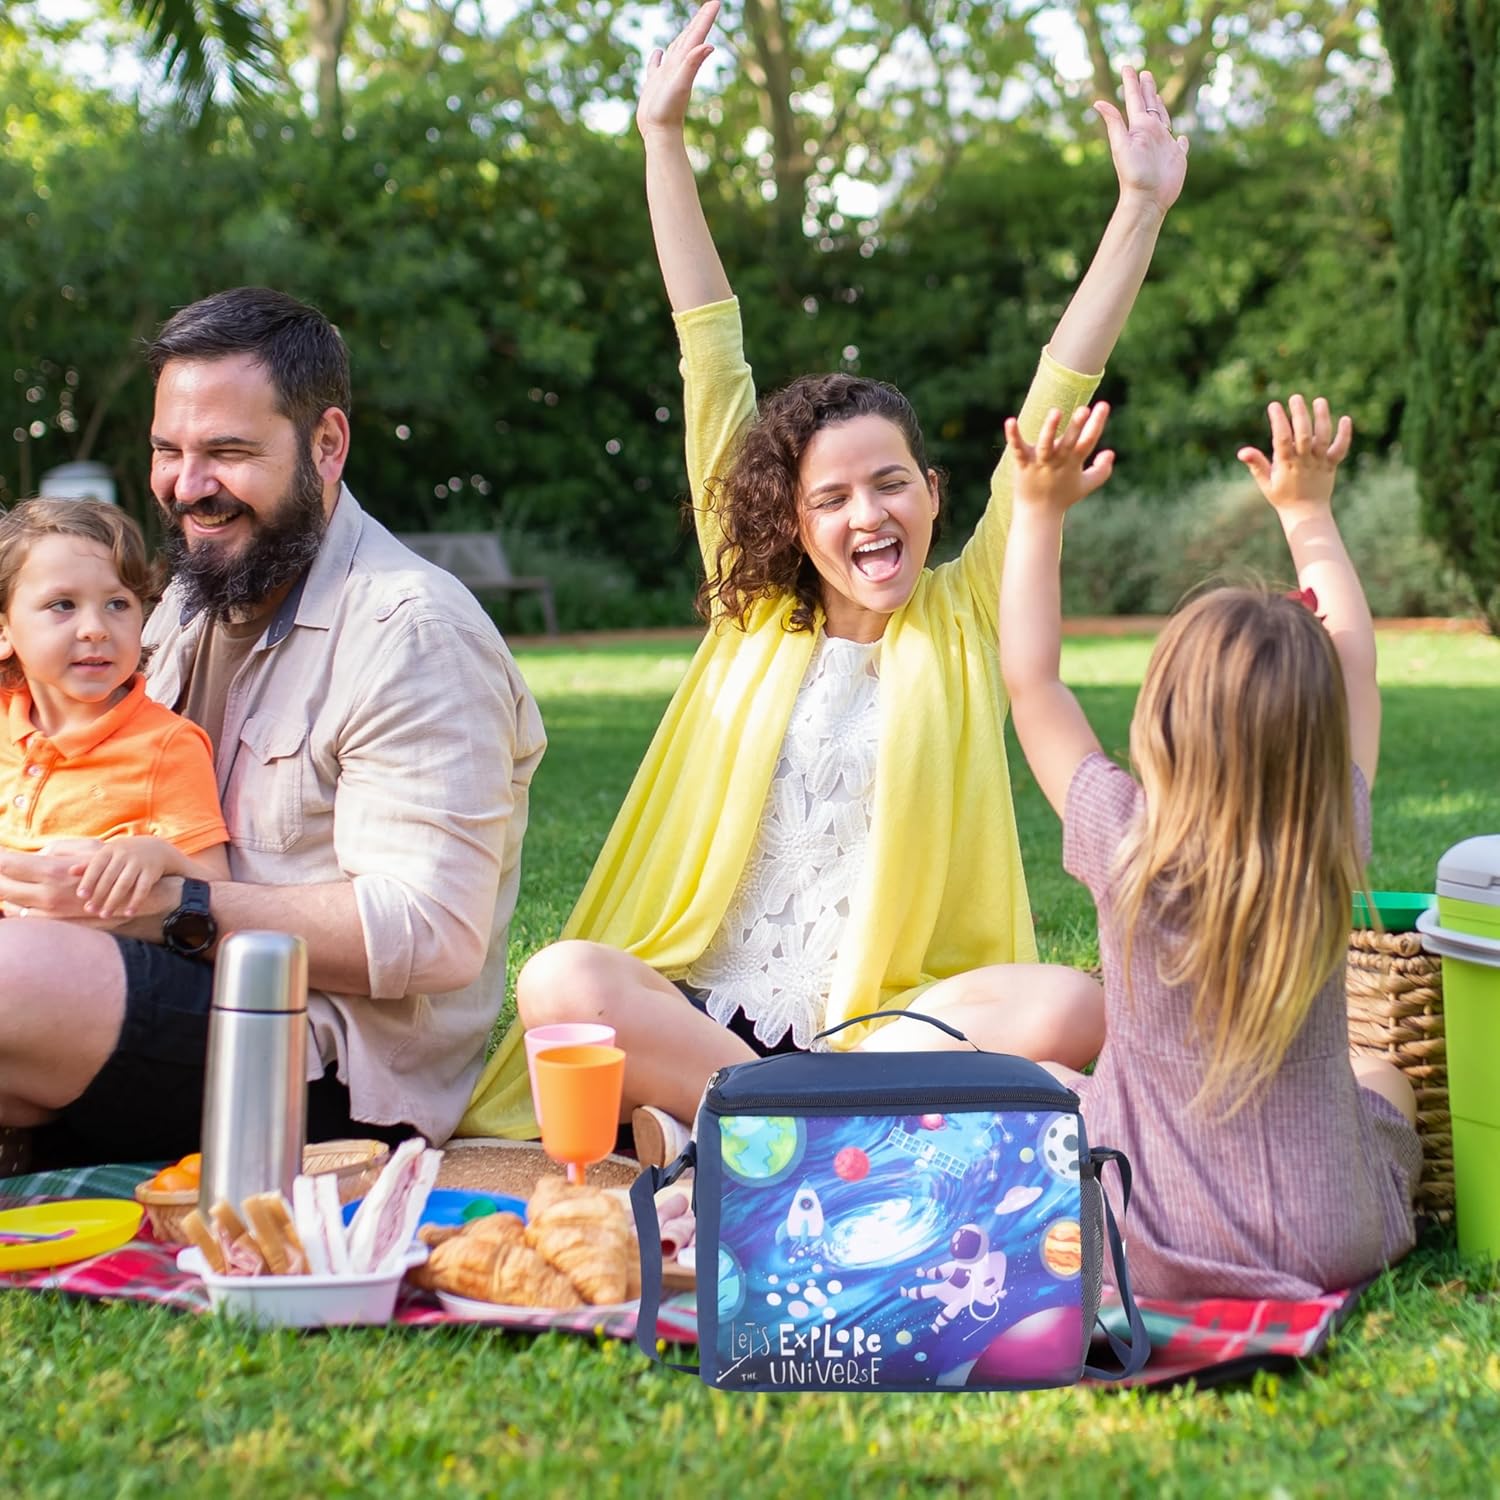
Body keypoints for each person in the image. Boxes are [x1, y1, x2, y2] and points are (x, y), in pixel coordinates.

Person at [458, 0, 1189, 1156]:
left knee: (1067, 1008)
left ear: (936, 493)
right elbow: (709, 343)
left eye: (891, 484)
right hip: (707, 1008)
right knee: (562, 984)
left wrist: (1139, 207)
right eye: (833, 498)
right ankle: (784, 1118)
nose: (868, 513)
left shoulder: (965, 613)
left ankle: (738, 1129)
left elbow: (1061, 382)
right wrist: (662, 139)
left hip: (876, 1027)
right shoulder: (753, 609)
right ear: (790, 525)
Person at [0, 287, 546, 1174]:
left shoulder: (412, 632)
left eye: (227, 452)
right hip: (144, 986)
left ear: (327, 445)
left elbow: (434, 932)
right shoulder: (182, 602)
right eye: (168, 452)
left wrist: (167, 910)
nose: (188, 487)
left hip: (321, 1066)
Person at [998, 391, 1421, 1298]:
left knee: (1041, 1085)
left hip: (1145, 1237)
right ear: (1317, 735)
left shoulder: (1125, 839)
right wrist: (1308, 512)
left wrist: (1038, 513)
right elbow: (1356, 661)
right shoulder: (1329, 828)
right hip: (1328, 1236)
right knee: (1382, 1071)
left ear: (1163, 719)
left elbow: (1031, 683)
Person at [0, 499, 229, 911]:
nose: (96, 629)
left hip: (103, 954)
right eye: (63, 605)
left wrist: (158, 858)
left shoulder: (166, 745)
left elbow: (217, 887)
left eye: (118, 604)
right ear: (4, 631)